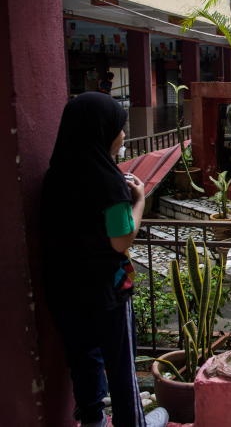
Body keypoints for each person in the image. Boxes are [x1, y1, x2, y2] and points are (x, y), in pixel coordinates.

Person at [41, 93, 168, 427]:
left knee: (83, 357)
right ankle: (133, 422)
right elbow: (121, 241)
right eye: (120, 128)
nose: (124, 135)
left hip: (64, 286)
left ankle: (92, 419)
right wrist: (138, 199)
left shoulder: (55, 174)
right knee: (121, 362)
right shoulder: (108, 182)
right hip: (107, 288)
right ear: (102, 131)